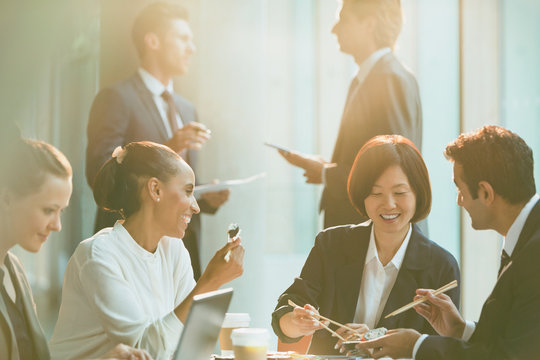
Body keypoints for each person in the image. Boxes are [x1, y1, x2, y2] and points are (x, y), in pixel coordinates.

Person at [355, 125, 540, 359]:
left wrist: (417, 346)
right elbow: (515, 338)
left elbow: (513, 356)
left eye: (460, 189)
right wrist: (460, 330)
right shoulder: (526, 241)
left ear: (485, 192)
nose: (459, 201)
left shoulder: (534, 255)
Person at [50, 141, 244, 360]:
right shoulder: (98, 256)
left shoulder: (173, 249)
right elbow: (145, 353)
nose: (196, 206)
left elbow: (189, 344)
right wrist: (209, 283)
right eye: (188, 191)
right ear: (155, 189)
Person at [271, 135, 459, 355]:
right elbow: (289, 307)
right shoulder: (331, 245)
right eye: (375, 193)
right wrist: (294, 323)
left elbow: (440, 351)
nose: (388, 204)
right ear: (362, 195)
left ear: (418, 194)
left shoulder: (440, 266)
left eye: (399, 192)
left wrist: (374, 340)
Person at [86, 1, 229, 280]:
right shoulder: (116, 98)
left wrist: (201, 194)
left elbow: (173, 184)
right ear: (152, 41)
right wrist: (170, 146)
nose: (192, 48)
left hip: (180, 250)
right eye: (183, 39)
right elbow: (99, 173)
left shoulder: (187, 109)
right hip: (132, 249)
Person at [0, 125, 151, 360]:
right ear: (7, 198)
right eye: (49, 210)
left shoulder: (15, 271)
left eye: (61, 211)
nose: (57, 225)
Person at [276, 0, 422, 228]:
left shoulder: (388, 79)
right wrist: (327, 169)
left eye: (343, 19)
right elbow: (374, 160)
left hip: (376, 238)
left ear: (369, 25)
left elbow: (392, 171)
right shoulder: (373, 78)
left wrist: (326, 173)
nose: (334, 29)